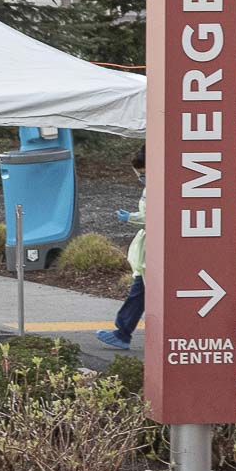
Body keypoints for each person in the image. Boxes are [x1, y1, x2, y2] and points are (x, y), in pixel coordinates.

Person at [98, 146, 146, 351]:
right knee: (139, 291)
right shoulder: (150, 187)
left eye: (143, 174)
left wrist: (132, 218)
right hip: (147, 250)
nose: (140, 178)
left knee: (139, 292)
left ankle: (123, 333)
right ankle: (122, 332)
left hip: (152, 251)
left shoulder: (158, 186)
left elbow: (153, 215)